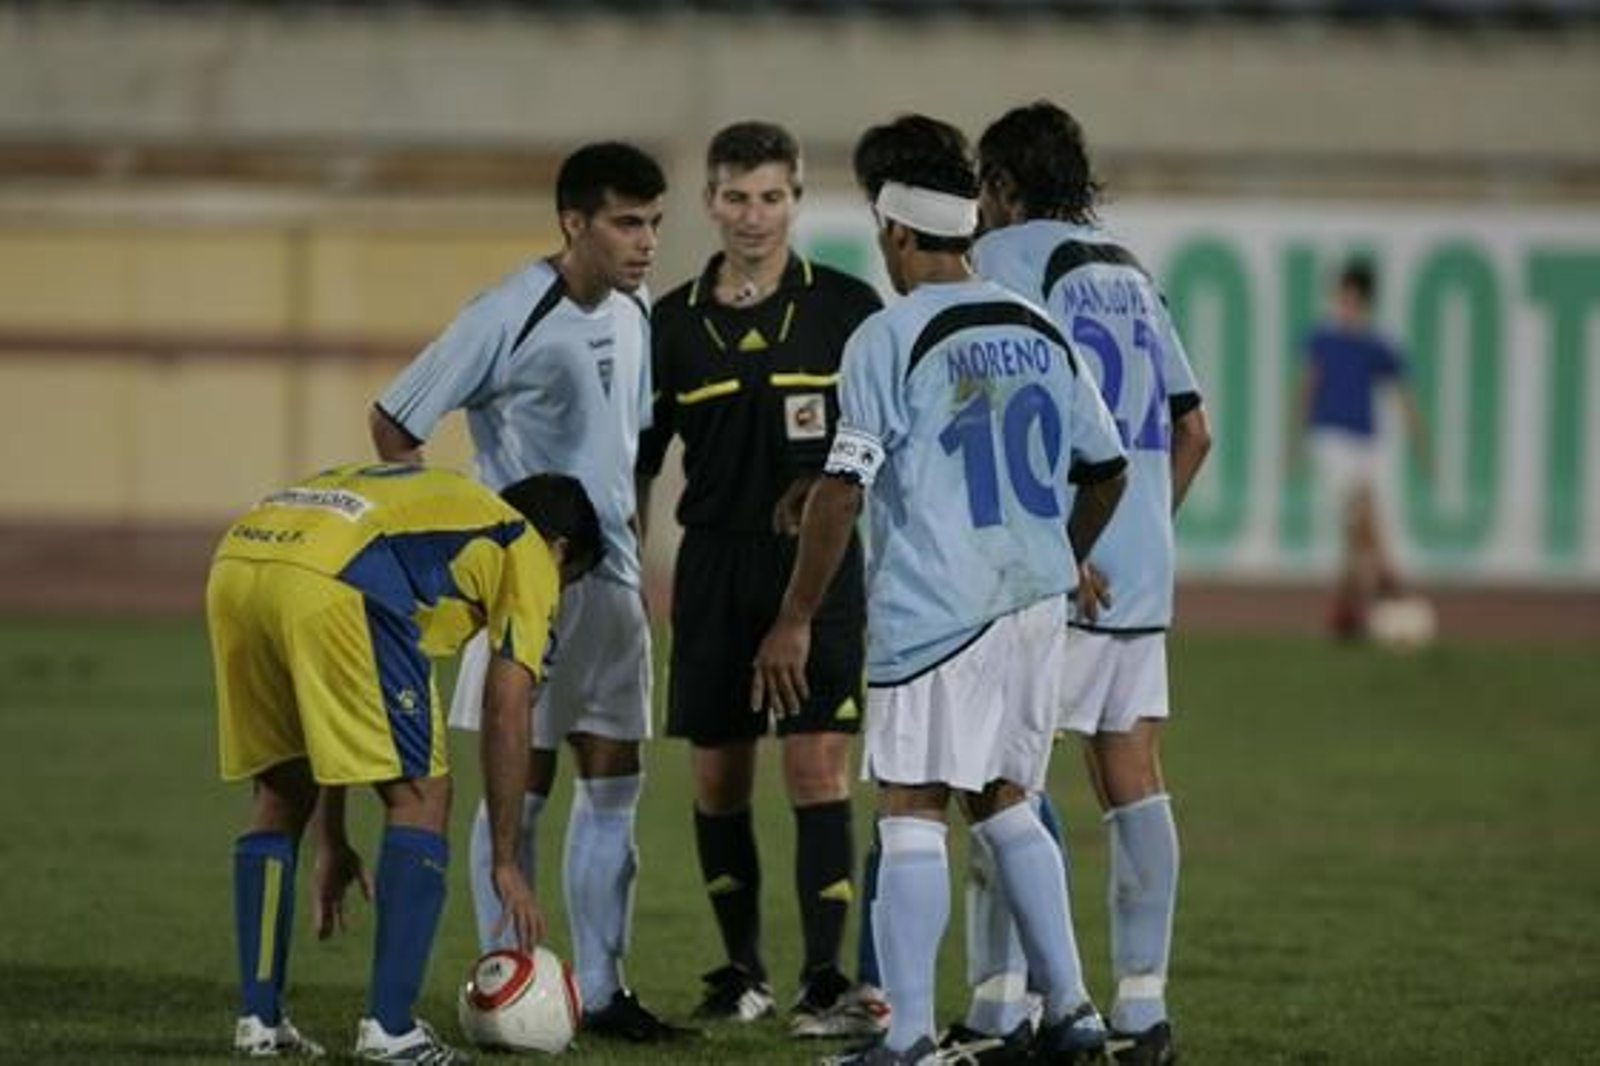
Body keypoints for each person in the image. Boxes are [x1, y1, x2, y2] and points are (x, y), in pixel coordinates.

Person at [753, 114, 1129, 1066]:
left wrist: (795, 615)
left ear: (896, 233)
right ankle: (1077, 1014)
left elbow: (842, 490)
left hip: (938, 609)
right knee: (1007, 800)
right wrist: (1059, 552)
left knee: (912, 805)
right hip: (1036, 603)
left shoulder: (889, 337)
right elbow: (1108, 468)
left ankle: (909, 1039)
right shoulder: (1036, 322)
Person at [369, 142, 690, 1042]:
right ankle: (506, 979)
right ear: (574, 222)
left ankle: (604, 988)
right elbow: (394, 420)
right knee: (527, 782)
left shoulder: (632, 312)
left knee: (615, 778)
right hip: (527, 584)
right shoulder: (506, 313)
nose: (646, 241)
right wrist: (446, 542)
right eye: (628, 222)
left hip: (616, 584)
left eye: (655, 222)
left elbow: (624, 447)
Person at [945, 101, 1213, 1066]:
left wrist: (1067, 543)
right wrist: (1141, 535)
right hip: (1137, 570)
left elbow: (1028, 414)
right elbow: (1194, 431)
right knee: (1131, 780)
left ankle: (1002, 1007)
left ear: (1003, 186)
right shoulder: (1127, 271)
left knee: (1002, 781)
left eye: (985, 186)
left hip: (1061, 565)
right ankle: (1144, 1011)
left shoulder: (1008, 261)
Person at [210, 463, 602, 1062]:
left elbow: (333, 718)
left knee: (281, 790)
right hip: (337, 578)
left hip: (241, 561)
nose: (556, 598)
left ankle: (259, 1024)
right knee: (423, 795)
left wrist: (332, 839)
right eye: (567, 582)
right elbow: (507, 710)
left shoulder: (446, 508)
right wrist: (504, 861)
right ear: (560, 548)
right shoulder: (525, 545)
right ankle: (391, 1030)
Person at [635, 120, 887, 1039]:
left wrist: (827, 494)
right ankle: (742, 970)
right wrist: (628, 563)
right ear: (708, 202)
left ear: (796, 200)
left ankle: (827, 978)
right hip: (712, 565)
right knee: (717, 775)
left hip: (817, 566)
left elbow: (890, 440)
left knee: (818, 765)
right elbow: (640, 459)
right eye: (736, 197)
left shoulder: (849, 309)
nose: (753, 215)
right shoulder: (669, 324)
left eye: (771, 197)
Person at [1291, 258, 1429, 639]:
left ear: (1363, 300)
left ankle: (1346, 610)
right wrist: (1295, 439)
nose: (1345, 304)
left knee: (1354, 524)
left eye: (1352, 297)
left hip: (1365, 440)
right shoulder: (1323, 338)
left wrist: (1420, 442)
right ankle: (1387, 574)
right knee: (1362, 506)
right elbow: (1306, 387)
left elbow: (1403, 395)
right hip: (1330, 437)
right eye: (1342, 296)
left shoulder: (1376, 343)